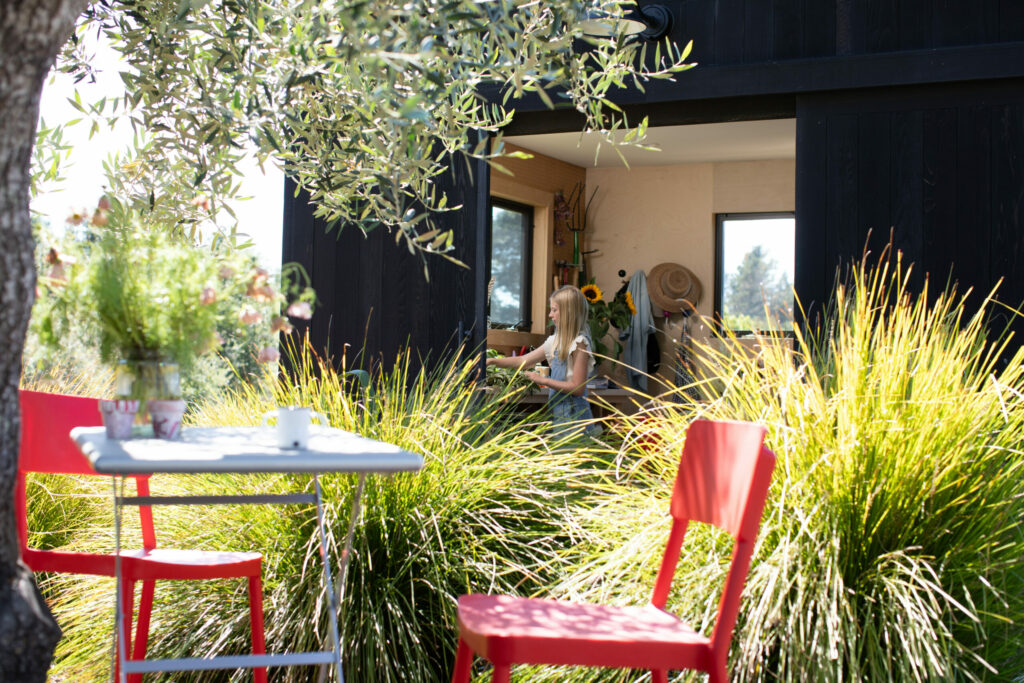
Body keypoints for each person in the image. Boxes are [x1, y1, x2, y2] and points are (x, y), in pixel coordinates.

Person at [486, 285, 596, 430]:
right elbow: (522, 361)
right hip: (558, 414)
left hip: (575, 417)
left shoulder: (579, 343)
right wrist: (493, 361)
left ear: (568, 313)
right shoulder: (555, 341)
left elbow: (578, 388)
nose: (550, 315)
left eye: (554, 310)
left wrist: (542, 380)